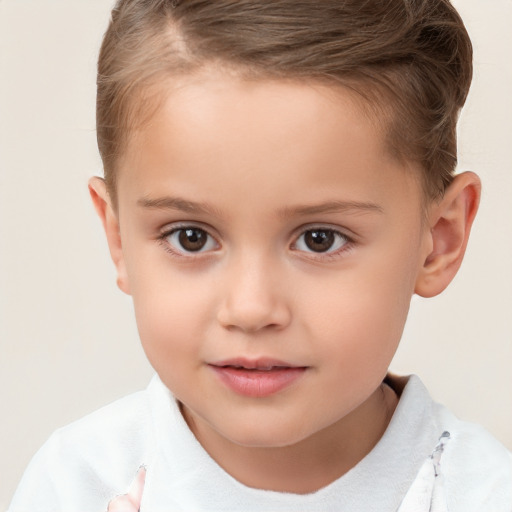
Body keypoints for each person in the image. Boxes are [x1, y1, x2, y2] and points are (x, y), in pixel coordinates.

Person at [8, 0, 512, 511]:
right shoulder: (76, 487)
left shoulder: (485, 497)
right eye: (190, 237)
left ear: (438, 240)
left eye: (320, 239)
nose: (250, 309)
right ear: (118, 239)